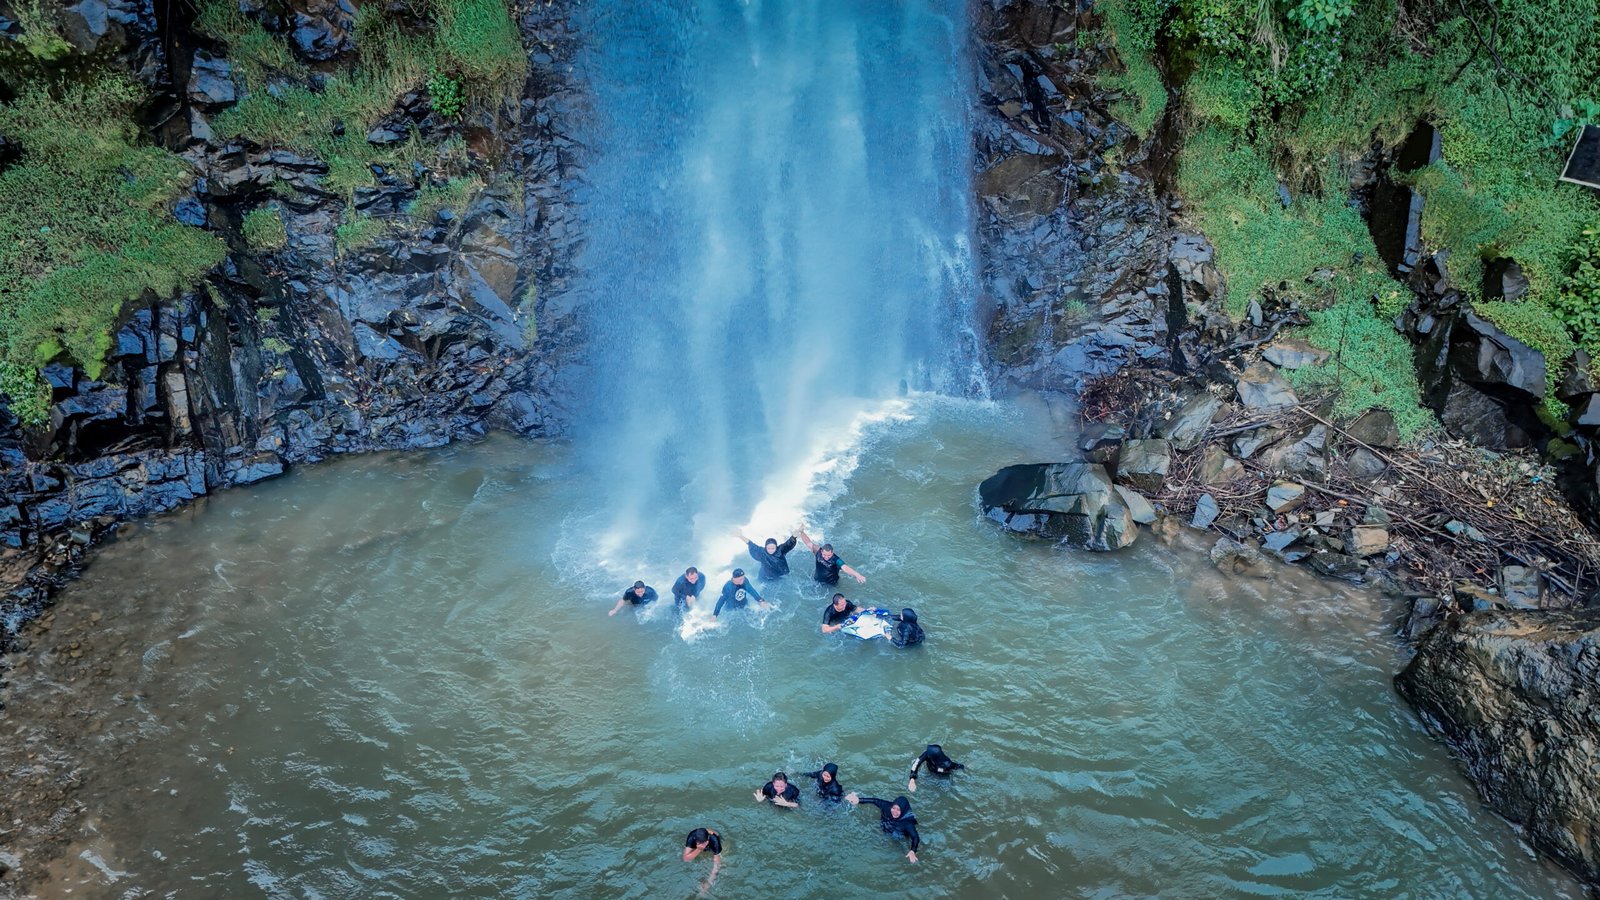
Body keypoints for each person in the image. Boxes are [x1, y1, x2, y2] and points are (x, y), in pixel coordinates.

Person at [845, 793, 920, 862]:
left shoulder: (907, 823)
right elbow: (875, 801)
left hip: (897, 836)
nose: (894, 812)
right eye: (894, 808)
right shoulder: (887, 806)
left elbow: (915, 837)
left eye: (898, 810)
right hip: (884, 827)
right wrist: (859, 800)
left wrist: (913, 851)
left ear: (903, 810)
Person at [797, 526, 866, 586]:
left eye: (829, 555)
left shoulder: (836, 560)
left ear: (832, 553)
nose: (826, 557)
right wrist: (801, 532)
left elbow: (845, 568)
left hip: (831, 583)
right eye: (824, 555)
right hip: (817, 580)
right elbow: (808, 543)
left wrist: (857, 575)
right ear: (821, 551)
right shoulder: (818, 551)